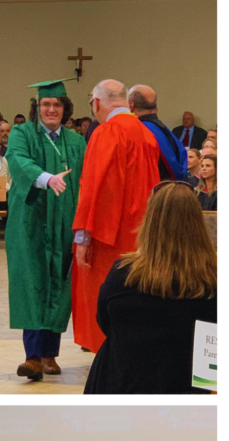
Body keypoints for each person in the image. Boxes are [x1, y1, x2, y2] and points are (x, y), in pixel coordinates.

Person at [84, 183, 216, 394]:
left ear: (150, 222)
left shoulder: (122, 274)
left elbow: (104, 322)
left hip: (120, 385)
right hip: (185, 392)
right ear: (198, 223)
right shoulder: (212, 281)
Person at [5, 80, 86, 381]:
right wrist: (46, 178)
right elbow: (18, 162)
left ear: (65, 109)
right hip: (31, 224)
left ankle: (50, 353)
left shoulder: (77, 142)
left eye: (57, 105)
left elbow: (86, 182)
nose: (51, 110)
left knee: (58, 284)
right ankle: (33, 357)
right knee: (33, 283)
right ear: (37, 108)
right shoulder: (22, 133)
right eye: (45, 105)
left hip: (65, 222)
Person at [71, 79, 160, 353]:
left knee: (104, 298)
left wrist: (83, 235)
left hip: (111, 236)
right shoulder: (147, 134)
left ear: (97, 103)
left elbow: (96, 187)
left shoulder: (106, 132)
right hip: (143, 234)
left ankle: (107, 354)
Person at [129, 84, 186, 181]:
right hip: (174, 190)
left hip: (156, 191)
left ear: (131, 105)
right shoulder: (166, 131)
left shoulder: (140, 132)